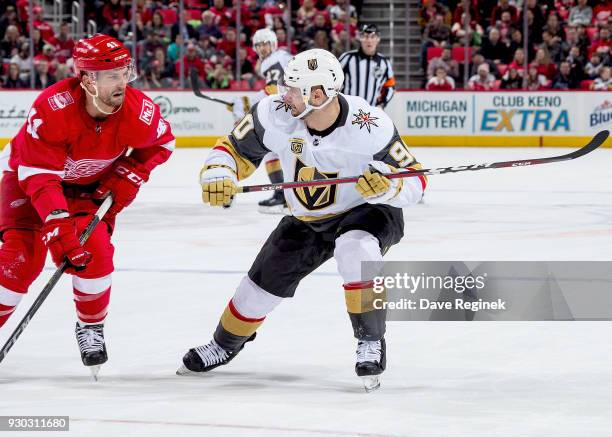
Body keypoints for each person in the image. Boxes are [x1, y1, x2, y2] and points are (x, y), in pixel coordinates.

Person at [178, 49, 427, 392]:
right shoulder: (273, 113)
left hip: (365, 210)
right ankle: (224, 345)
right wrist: (219, 174)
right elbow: (232, 150)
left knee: (356, 249)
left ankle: (370, 340)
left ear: (319, 94)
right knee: (255, 291)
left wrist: (389, 186)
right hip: (307, 217)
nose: (284, 95)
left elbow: (415, 178)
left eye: (293, 89)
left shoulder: (370, 125)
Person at [0, 34, 174, 376]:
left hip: (87, 189)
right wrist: (58, 227)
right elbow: (40, 178)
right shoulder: (53, 108)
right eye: (111, 76)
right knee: (21, 260)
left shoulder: (138, 111)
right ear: (87, 80)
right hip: (26, 178)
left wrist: (127, 175)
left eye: (125, 72)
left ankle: (91, 326)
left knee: (95, 251)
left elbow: (163, 144)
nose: (122, 82)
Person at [232, 28, 293, 214]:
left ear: (273, 43)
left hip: (288, 112)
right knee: (273, 153)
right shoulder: (282, 56)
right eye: (258, 45)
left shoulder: (273, 60)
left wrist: (247, 104)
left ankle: (285, 196)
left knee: (278, 151)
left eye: (265, 43)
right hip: (290, 108)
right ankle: (283, 195)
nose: (262, 48)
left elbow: (275, 89)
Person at [339, 24, 396, 108]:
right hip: (348, 110)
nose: (369, 41)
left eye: (372, 37)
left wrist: (382, 104)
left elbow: (390, 86)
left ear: (378, 39)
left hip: (371, 112)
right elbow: (333, 80)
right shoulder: (347, 58)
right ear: (360, 38)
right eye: (365, 36)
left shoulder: (384, 62)